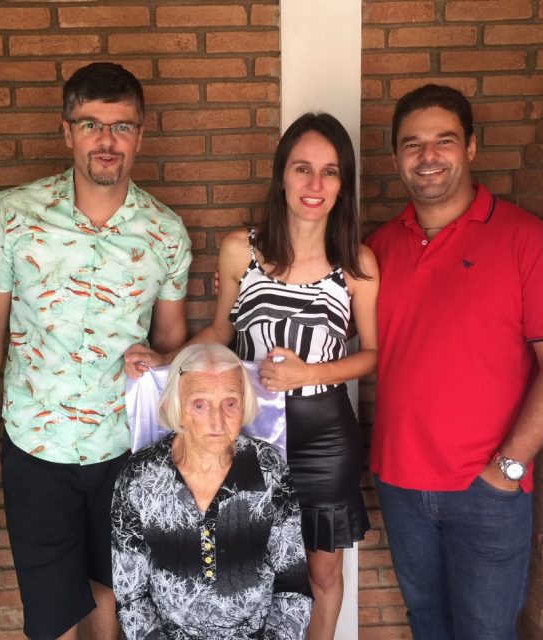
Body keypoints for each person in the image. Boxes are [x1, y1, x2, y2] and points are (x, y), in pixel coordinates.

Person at [0, 62, 192, 640]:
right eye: (91, 124)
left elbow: (171, 343)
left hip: (124, 446)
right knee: (51, 615)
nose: (106, 140)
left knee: (112, 598)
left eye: (121, 126)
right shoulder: (15, 214)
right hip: (35, 442)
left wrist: (162, 364)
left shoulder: (166, 233)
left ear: (140, 135)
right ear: (67, 132)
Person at [125, 113, 379, 639]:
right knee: (252, 569)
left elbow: (372, 354)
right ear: (282, 175)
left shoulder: (357, 262)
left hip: (325, 436)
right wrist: (162, 361)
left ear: (343, 183)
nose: (314, 184)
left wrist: (308, 373)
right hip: (252, 428)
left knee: (321, 573)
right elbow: (220, 330)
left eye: (330, 172)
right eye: (302, 168)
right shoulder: (242, 248)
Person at [365, 83, 543, 640]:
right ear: (396, 157)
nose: (428, 156)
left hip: (486, 489)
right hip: (399, 483)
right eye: (412, 144)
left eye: (443, 140)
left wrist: (509, 467)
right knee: (427, 625)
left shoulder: (525, 239)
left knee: (485, 633)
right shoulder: (378, 249)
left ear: (470, 146)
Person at [112, 343, 313, 639]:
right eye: (200, 405)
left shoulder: (268, 467)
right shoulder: (139, 476)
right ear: (175, 408)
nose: (217, 422)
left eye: (230, 403)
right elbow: (131, 597)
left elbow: (293, 586)